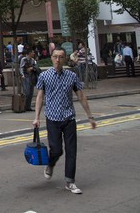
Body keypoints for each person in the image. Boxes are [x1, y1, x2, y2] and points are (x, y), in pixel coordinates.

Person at [33, 48, 97, 195]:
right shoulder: (44, 76)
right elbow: (40, 97)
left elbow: (81, 96)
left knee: (71, 151)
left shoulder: (71, 76)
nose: (57, 60)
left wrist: (90, 117)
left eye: (60, 57)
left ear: (64, 59)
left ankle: (70, 181)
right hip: (52, 119)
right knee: (56, 150)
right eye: (55, 57)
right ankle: (51, 164)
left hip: (69, 118)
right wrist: (36, 117)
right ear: (51, 58)